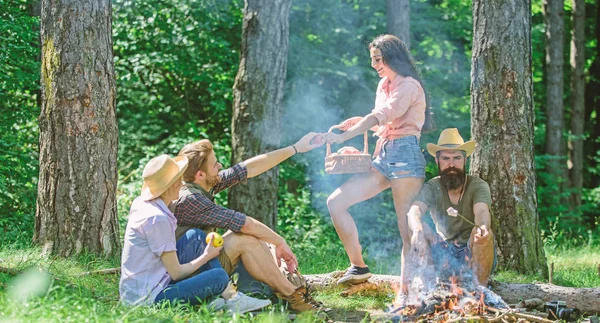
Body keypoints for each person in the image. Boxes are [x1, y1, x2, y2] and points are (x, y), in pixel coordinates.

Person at [322, 34, 433, 291]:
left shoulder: (410, 85)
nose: (374, 64)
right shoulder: (384, 85)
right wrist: (358, 122)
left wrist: (346, 135)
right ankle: (359, 267)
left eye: (378, 59)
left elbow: (383, 115)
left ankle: (411, 291)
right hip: (384, 154)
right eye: (372, 59)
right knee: (336, 202)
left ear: (392, 56)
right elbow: (383, 120)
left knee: (407, 229)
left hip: (406, 156)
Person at [172, 132, 325, 312]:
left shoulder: (201, 183)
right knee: (244, 238)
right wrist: (280, 242)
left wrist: (295, 148)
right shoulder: (191, 199)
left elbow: (247, 169)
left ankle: (286, 293)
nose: (220, 166)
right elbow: (244, 223)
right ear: (200, 175)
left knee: (253, 236)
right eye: (215, 165)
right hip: (188, 276)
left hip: (200, 262)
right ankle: (293, 296)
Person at [119, 154, 271, 314]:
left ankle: (229, 298)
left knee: (195, 236)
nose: (183, 183)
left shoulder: (144, 204)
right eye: (179, 179)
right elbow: (176, 273)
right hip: (150, 299)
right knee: (219, 276)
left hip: (143, 285)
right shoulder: (157, 219)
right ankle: (229, 298)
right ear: (170, 186)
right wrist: (206, 256)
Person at [408, 128, 495, 287]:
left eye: (456, 158)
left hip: (472, 251)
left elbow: (482, 212)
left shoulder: (478, 186)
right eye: (446, 158)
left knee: (484, 234)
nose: (451, 164)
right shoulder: (433, 186)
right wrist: (418, 229)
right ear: (437, 161)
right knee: (418, 228)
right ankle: (428, 289)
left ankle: (479, 291)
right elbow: (415, 210)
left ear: (465, 159)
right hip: (443, 252)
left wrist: (482, 227)